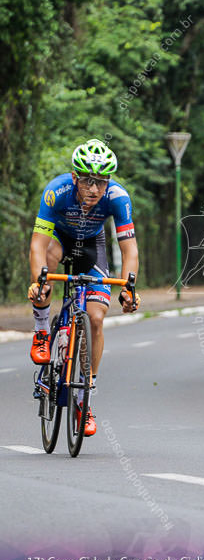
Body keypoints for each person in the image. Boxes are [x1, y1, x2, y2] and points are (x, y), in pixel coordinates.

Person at [28, 139, 140, 436]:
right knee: (46, 270)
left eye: (101, 182)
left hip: (92, 248)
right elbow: (38, 244)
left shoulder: (117, 197)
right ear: (75, 177)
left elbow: (129, 250)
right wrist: (37, 281)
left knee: (96, 318)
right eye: (88, 181)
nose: (94, 189)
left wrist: (128, 289)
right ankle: (41, 332)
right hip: (60, 241)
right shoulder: (57, 191)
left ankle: (83, 399)